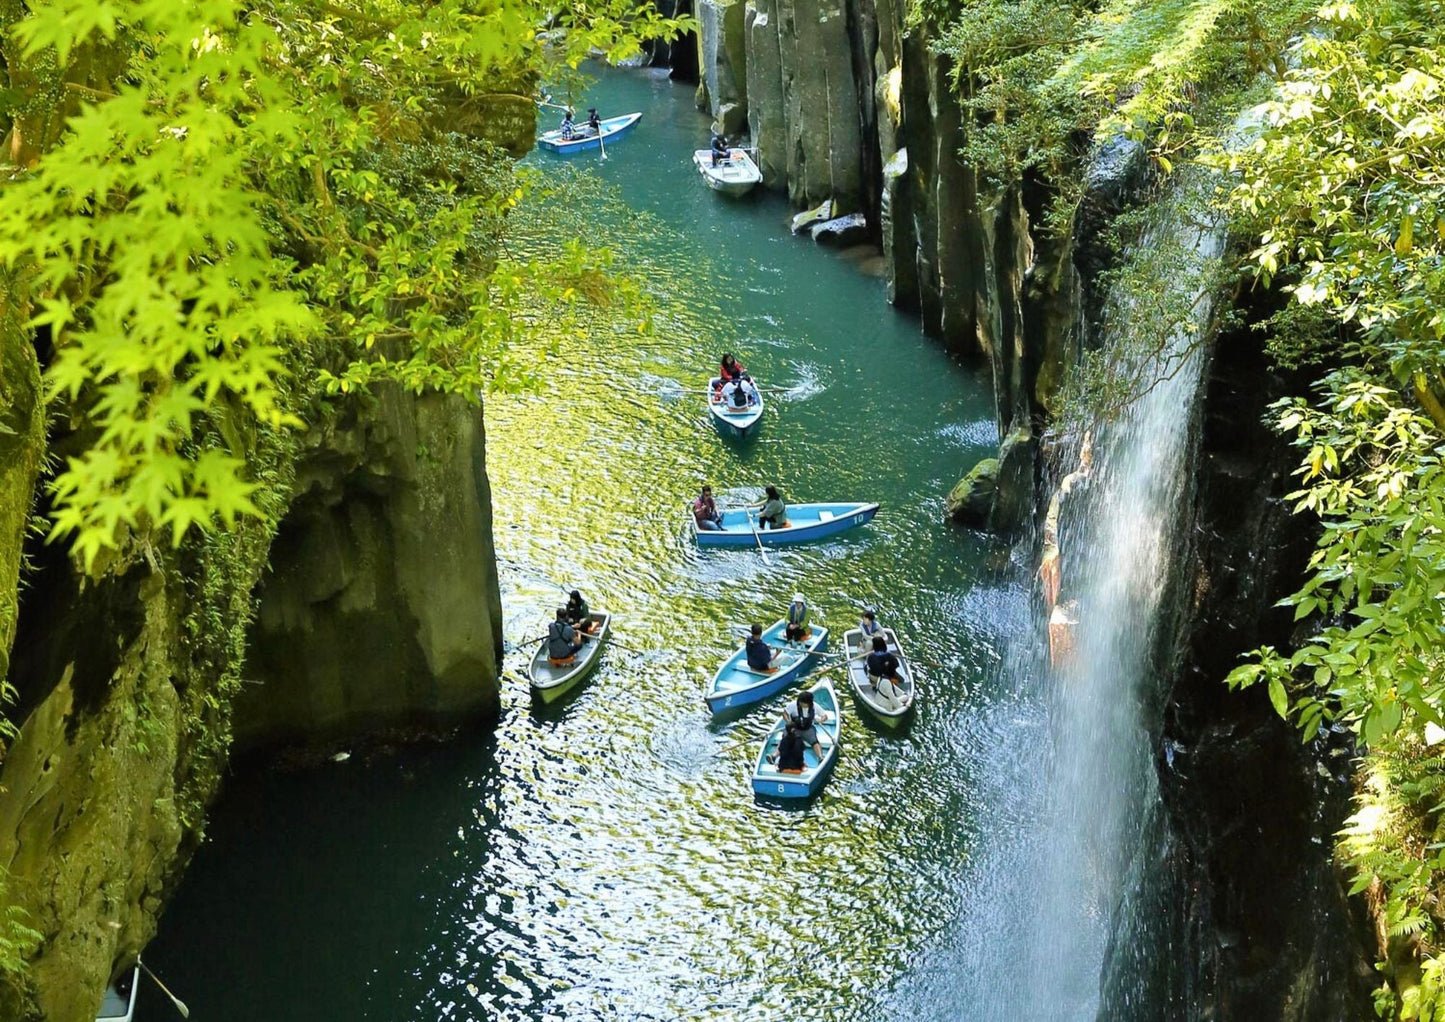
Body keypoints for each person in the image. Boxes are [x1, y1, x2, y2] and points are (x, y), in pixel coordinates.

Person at [865, 634, 908, 712]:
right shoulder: (889, 654)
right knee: (901, 680)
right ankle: (894, 683)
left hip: (875, 677)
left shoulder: (871, 656)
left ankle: (874, 685)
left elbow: (869, 666)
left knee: (865, 667)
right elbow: (896, 665)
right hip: (888, 676)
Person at [782, 689, 828, 760]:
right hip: (794, 728)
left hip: (808, 729)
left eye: (803, 703)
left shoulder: (815, 706)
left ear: (809, 703)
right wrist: (788, 722)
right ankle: (774, 756)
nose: (801, 704)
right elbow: (785, 713)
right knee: (785, 739)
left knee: (814, 741)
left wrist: (821, 720)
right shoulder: (793, 705)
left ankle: (820, 756)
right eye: (800, 702)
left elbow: (825, 716)